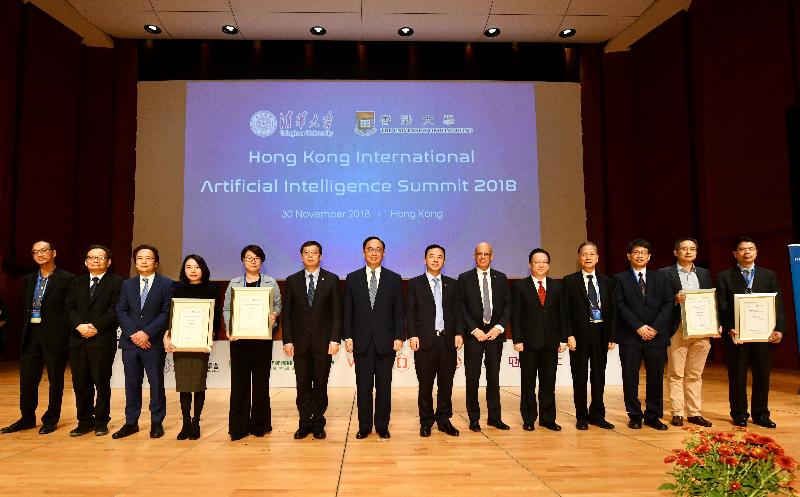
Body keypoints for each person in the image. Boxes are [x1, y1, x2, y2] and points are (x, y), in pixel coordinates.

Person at [1, 240, 73, 435]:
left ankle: (51, 418)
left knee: (55, 379)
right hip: (31, 334)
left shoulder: (67, 279)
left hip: (54, 335)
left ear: (54, 253)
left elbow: (69, 310)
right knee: (27, 379)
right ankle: (27, 418)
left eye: (44, 250)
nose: (40, 254)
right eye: (35, 252)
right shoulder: (28, 279)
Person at [716, 236, 786, 428]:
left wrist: (779, 328)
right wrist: (730, 327)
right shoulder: (725, 276)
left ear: (756, 252)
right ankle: (739, 414)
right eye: (742, 249)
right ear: (735, 254)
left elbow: (777, 303)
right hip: (737, 335)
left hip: (763, 334)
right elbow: (722, 306)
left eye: (750, 249)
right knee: (737, 375)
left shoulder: (768, 275)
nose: (747, 252)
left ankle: (761, 414)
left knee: (762, 375)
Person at [343, 236, 404, 440]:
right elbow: (348, 311)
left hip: (386, 342)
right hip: (361, 342)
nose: (374, 253)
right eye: (370, 249)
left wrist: (399, 336)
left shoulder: (394, 279)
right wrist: (348, 336)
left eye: (378, 249)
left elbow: (398, 311)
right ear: (364, 252)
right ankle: (365, 426)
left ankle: (382, 426)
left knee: (384, 388)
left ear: (384, 253)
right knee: (364, 388)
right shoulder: (352, 278)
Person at [282, 241, 341, 440]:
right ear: (301, 256)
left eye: (314, 253)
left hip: (324, 344)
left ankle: (318, 422)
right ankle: (304, 422)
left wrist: (335, 339)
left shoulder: (331, 280)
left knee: (321, 384)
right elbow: (287, 314)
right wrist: (287, 340)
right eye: (306, 253)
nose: (310, 256)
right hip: (299, 344)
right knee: (303, 384)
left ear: (320, 256)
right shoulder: (292, 280)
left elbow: (336, 314)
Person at [114, 244, 174, 439]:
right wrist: (133, 334)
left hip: (153, 342)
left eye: (148, 258)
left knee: (156, 383)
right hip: (130, 343)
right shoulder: (127, 285)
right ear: (135, 262)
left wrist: (147, 333)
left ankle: (157, 422)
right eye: (140, 258)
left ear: (156, 263)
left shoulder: (166, 284)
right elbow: (121, 310)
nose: (144, 261)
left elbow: (166, 312)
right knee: (132, 383)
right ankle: (131, 422)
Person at [613, 239, 673, 431]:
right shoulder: (619, 279)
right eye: (636, 252)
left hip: (656, 337)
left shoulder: (661, 278)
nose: (640, 255)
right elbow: (619, 305)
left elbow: (668, 304)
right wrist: (638, 327)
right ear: (628, 256)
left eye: (643, 252)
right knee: (630, 377)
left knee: (656, 377)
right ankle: (635, 415)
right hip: (631, 336)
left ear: (649, 256)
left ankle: (653, 415)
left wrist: (655, 328)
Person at [223, 244, 281, 441]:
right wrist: (229, 329)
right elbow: (227, 308)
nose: (253, 260)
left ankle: (260, 424)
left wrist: (274, 316)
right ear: (243, 261)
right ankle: (238, 427)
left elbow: (277, 305)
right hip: (239, 340)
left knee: (261, 383)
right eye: (249, 257)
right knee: (239, 383)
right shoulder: (234, 283)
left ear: (261, 261)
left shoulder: (270, 282)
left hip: (262, 340)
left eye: (256, 257)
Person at [65, 244, 123, 437]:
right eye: (92, 257)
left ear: (108, 262)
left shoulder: (117, 282)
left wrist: (95, 327)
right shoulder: (76, 282)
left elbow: (114, 310)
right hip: (78, 339)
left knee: (101, 382)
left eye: (100, 257)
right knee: (80, 383)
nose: (96, 260)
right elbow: (69, 308)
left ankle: (101, 421)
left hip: (102, 339)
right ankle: (84, 421)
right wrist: (79, 326)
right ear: (85, 262)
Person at [408, 244, 464, 437]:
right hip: (424, 341)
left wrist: (458, 333)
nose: (435, 260)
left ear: (444, 261)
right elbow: (411, 312)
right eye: (431, 256)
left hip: (447, 341)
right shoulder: (415, 284)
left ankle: (443, 419)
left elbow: (458, 312)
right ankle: (426, 421)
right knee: (425, 385)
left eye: (439, 257)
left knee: (446, 384)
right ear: (425, 260)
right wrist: (413, 334)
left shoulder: (452, 284)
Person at [163, 254, 221, 440]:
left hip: (200, 343)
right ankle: (185, 422)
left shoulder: (212, 288)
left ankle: (196, 422)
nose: (193, 270)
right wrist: (167, 334)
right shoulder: (176, 287)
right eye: (189, 267)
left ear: (203, 268)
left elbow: (216, 316)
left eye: (197, 266)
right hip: (181, 342)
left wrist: (210, 337)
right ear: (184, 270)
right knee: (184, 385)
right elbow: (170, 315)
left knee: (198, 384)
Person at [511, 248, 568, 432]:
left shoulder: (557, 286)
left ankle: (547, 419)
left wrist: (563, 339)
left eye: (544, 262)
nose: (541, 265)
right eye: (537, 262)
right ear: (530, 265)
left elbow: (563, 315)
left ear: (548, 265)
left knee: (548, 383)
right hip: (527, 343)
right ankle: (528, 418)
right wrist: (517, 339)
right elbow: (516, 315)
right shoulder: (520, 286)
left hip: (551, 342)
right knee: (527, 383)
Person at [660, 238, 715, 428]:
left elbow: (711, 300)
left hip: (702, 329)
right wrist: (674, 299)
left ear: (696, 253)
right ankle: (677, 413)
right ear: (676, 252)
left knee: (695, 374)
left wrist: (716, 324)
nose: (688, 252)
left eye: (692, 249)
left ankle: (694, 412)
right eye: (684, 249)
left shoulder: (704, 273)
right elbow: (659, 301)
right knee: (676, 373)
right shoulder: (665, 274)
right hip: (678, 328)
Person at [562, 241, 617, 431]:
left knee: (598, 376)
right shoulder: (569, 281)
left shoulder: (607, 282)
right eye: (584, 254)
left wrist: (611, 336)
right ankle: (581, 417)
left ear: (597, 258)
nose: (588, 257)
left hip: (601, 334)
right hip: (578, 336)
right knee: (579, 377)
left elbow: (613, 311)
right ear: (579, 258)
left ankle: (598, 415)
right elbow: (565, 312)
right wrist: (568, 334)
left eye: (591, 254)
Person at [457, 241, 511, 432]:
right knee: (472, 379)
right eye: (479, 254)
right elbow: (461, 307)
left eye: (486, 254)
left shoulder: (501, 278)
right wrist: (473, 329)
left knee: (494, 379)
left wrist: (498, 327)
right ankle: (474, 419)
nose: (482, 257)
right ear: (474, 256)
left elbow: (507, 306)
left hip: (495, 336)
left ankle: (495, 418)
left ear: (492, 256)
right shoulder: (464, 279)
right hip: (474, 337)